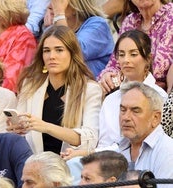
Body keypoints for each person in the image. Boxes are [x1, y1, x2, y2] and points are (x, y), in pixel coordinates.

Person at [60, 29, 168, 160]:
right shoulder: (111, 99)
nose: (126, 60)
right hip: (106, 163)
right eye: (121, 55)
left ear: (148, 59)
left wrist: (86, 153)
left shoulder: (160, 98)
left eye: (133, 54)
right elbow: (104, 143)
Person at [8, 25, 103, 155]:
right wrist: (18, 129)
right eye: (46, 51)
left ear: (72, 53)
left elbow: (89, 139)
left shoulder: (89, 90)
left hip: (70, 167)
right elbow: (24, 137)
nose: (51, 56)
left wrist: (45, 127)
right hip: (35, 165)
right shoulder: (30, 86)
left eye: (59, 50)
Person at [99, 0, 173, 94]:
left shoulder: (170, 17)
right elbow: (115, 63)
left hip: (159, 95)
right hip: (126, 89)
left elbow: (158, 70)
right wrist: (108, 75)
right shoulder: (129, 21)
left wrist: (121, 77)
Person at [118, 81, 173, 184]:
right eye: (123, 110)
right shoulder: (118, 147)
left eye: (135, 111)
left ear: (155, 118)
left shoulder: (168, 152)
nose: (126, 117)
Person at [45, 0, 114, 78]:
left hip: (93, 87)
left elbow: (73, 51)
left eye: (58, 2)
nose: (50, 6)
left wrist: (59, 14)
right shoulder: (51, 29)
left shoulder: (98, 25)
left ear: (76, 6)